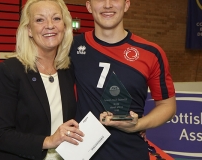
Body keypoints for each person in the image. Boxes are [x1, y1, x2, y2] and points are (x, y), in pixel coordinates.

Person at [70, 0, 176, 160]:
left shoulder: (151, 53)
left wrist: (138, 125)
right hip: (81, 152)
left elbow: (168, 106)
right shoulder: (71, 47)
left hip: (130, 153)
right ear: (89, 6)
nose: (107, 5)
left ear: (126, 5)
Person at [0, 0, 84, 160]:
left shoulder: (68, 70)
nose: (49, 25)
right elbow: (0, 135)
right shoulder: (10, 71)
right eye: (40, 20)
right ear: (29, 30)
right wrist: (49, 141)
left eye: (56, 18)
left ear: (65, 26)